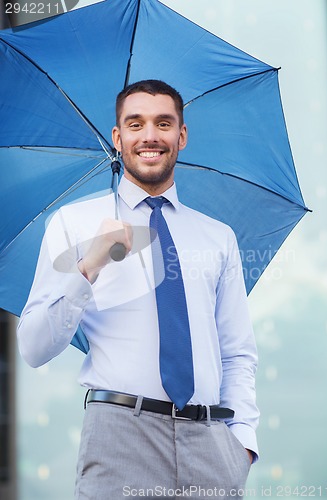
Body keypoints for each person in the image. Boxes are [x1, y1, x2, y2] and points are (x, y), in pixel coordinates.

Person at [17, 80, 259, 499]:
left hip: (211, 444)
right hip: (119, 439)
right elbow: (34, 347)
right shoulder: (74, 224)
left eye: (163, 123)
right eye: (135, 124)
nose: (150, 136)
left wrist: (242, 445)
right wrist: (89, 264)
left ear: (181, 135)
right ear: (118, 137)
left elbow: (236, 351)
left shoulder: (218, 237)